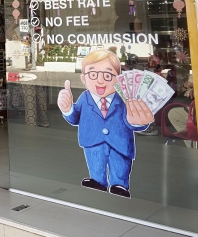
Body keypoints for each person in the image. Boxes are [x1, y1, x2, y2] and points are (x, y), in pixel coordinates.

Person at [57, 49, 154, 198]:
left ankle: (119, 184)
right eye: (93, 74)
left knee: (120, 165)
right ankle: (97, 181)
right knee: (95, 163)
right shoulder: (85, 97)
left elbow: (133, 120)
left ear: (118, 79)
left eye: (108, 75)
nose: (100, 80)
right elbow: (75, 117)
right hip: (92, 141)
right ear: (83, 78)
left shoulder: (124, 99)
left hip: (119, 142)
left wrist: (138, 123)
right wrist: (68, 108)